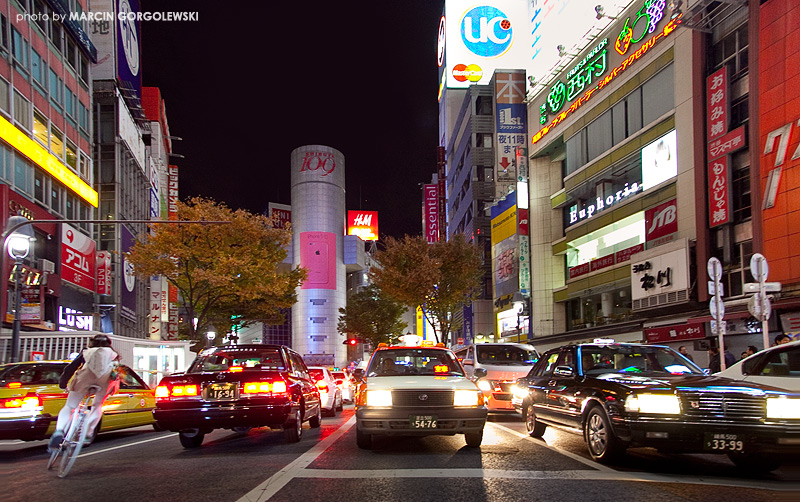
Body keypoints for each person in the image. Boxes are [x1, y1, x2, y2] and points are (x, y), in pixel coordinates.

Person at [48, 334, 121, 452]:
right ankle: (88, 433)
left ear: (92, 343)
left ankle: (59, 430)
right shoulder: (114, 355)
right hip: (104, 380)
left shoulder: (86, 352)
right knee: (97, 405)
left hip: (85, 378)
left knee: (70, 406)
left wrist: (63, 383)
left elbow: (70, 368)